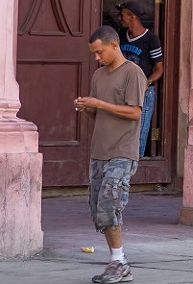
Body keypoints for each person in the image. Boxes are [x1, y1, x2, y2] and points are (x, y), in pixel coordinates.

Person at [77, 26, 146, 284]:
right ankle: (118, 261)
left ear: (114, 45)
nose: (97, 57)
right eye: (94, 53)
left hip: (122, 151)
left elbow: (134, 112)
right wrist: (87, 108)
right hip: (100, 151)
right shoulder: (98, 76)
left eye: (100, 51)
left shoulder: (133, 73)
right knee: (100, 210)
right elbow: (100, 114)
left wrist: (99, 104)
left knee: (111, 204)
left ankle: (119, 262)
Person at [115, 1, 163, 160]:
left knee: (138, 133)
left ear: (132, 16)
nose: (119, 18)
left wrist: (146, 83)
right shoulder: (121, 35)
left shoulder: (151, 40)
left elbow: (159, 69)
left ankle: (136, 169)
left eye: (122, 15)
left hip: (143, 93)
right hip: (122, 90)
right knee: (120, 131)